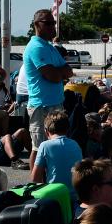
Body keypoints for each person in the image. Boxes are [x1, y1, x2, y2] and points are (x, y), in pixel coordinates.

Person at [24, 9, 75, 171]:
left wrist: (59, 73)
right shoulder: (36, 47)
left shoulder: (49, 47)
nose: (53, 27)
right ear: (36, 25)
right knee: (39, 148)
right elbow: (53, 75)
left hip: (55, 103)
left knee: (55, 144)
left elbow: (69, 71)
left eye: (53, 23)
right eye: (48, 23)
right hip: (41, 105)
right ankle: (36, 184)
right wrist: (60, 73)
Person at [30, 110, 84, 204]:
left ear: (46, 131)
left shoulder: (45, 145)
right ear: (67, 129)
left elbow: (35, 178)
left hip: (54, 197)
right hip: (75, 197)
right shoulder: (75, 144)